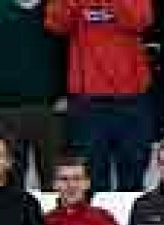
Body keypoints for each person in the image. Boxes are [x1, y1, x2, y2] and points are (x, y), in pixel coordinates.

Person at [45, 0, 154, 192]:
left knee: (133, 179)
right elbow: (56, 24)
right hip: (88, 102)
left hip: (131, 98)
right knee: (91, 181)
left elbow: (141, 20)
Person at [0, 0, 67, 186]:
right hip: (5, 113)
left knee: (56, 182)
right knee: (7, 183)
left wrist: (63, 94)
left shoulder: (55, 9)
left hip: (49, 111)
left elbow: (68, 54)